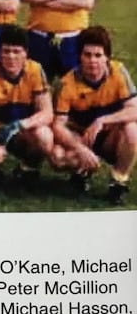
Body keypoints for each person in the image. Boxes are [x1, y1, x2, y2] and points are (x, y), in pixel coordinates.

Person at [51, 26, 136, 205]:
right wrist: (80, 148)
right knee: (58, 157)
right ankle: (81, 172)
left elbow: (134, 109)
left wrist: (102, 120)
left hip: (108, 135)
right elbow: (58, 125)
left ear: (107, 57)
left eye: (98, 55)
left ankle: (118, 181)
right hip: (81, 136)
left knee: (132, 130)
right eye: (87, 55)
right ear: (79, 56)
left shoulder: (118, 72)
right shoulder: (67, 83)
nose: (92, 61)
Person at [0, 25, 53, 191]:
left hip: (22, 127)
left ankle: (28, 169)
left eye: (16, 52)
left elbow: (47, 112)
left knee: (45, 137)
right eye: (6, 51)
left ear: (26, 53)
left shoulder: (36, 70)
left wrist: (20, 125)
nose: (11, 57)